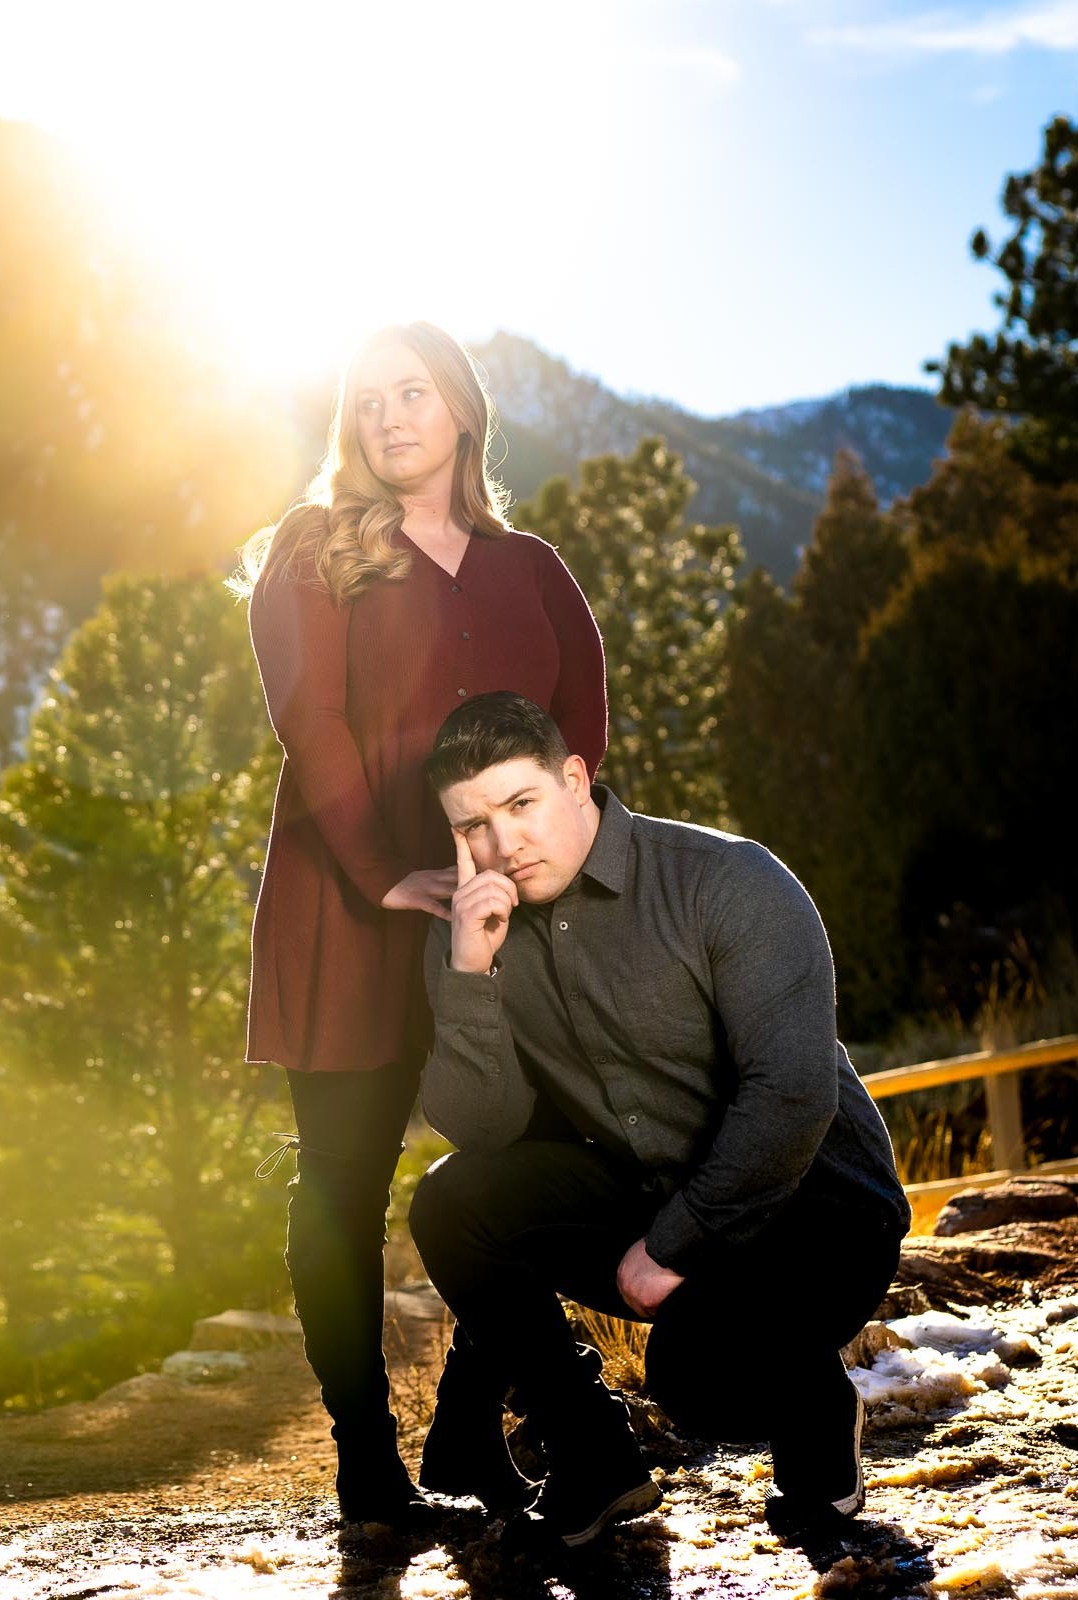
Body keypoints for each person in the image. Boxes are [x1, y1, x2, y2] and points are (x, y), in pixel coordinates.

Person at [236, 321, 609, 1526]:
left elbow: (581, 734)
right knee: (341, 1184)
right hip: (351, 908)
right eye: (367, 398)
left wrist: (539, 873)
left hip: (505, 921)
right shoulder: (313, 551)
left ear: (460, 409)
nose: (391, 415)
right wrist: (383, 871)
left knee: (528, 1162)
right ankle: (367, 1468)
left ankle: (465, 1424)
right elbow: (314, 717)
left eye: (414, 391)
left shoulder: (535, 569)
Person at [409, 690, 911, 1547]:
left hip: (817, 1215)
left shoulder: (728, 880)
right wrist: (467, 973)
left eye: (521, 804)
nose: (501, 844)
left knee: (699, 1381)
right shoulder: (476, 931)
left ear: (574, 779)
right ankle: (594, 1456)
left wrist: (673, 1243)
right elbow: (482, 1127)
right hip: (655, 1191)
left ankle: (818, 1410)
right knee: (452, 1204)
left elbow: (790, 1097)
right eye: (470, 827)